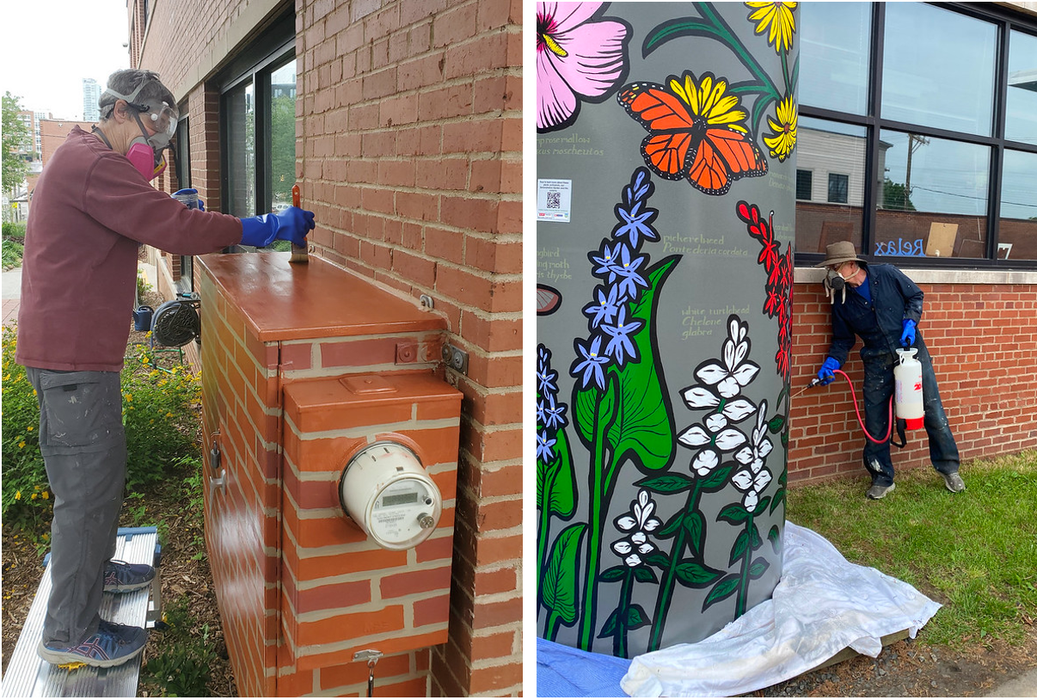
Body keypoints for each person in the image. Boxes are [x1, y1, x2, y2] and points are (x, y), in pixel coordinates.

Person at [16, 69, 315, 668]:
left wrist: (160, 206)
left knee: (97, 480)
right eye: (153, 129)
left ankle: (95, 572)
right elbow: (174, 229)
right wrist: (263, 227)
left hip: (71, 353)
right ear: (122, 111)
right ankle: (67, 633)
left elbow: (140, 219)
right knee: (87, 494)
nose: (155, 147)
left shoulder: (85, 157)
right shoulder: (93, 164)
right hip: (71, 359)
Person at [813, 241, 965, 500]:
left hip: (911, 351)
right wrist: (832, 364)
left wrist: (910, 322)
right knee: (875, 420)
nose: (833, 273)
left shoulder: (886, 274)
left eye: (836, 266)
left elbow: (915, 296)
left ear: (852, 264)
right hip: (876, 358)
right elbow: (842, 340)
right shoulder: (841, 300)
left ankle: (949, 468)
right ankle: (882, 477)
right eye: (830, 268)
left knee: (932, 410)